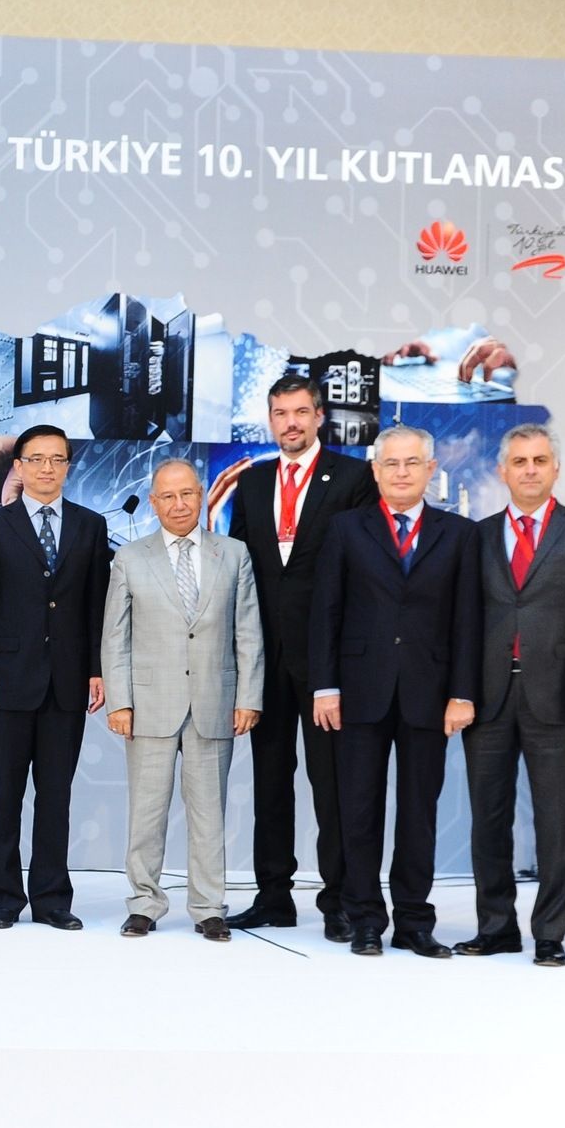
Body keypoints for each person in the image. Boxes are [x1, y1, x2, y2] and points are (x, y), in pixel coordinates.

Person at [310, 426, 480, 957]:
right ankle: (363, 918)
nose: (401, 472)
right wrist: (325, 687)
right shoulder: (346, 528)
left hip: (429, 692)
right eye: (391, 463)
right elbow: (326, 611)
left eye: (412, 463)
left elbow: (468, 620)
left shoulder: (459, 534)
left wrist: (463, 692)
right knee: (358, 810)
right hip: (358, 691)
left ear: (431, 469)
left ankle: (413, 921)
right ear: (375, 470)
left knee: (418, 813)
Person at [458, 424, 565, 967]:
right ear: (502, 470)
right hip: (490, 697)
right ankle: (495, 927)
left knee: (556, 821)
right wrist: (461, 692)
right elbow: (464, 620)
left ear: (555, 469)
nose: (529, 470)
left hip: (560, 698)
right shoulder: (476, 536)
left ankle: (550, 933)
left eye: (539, 460)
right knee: (488, 819)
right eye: (519, 461)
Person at [224, 375, 372, 939]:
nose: (290, 422)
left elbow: (362, 571)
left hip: (327, 662)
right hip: (266, 656)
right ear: (270, 420)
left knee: (331, 784)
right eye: (280, 413)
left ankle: (340, 901)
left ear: (318, 417)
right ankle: (273, 897)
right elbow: (240, 569)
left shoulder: (354, 478)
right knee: (269, 781)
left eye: (300, 412)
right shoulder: (254, 481)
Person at [102, 458, 263, 938]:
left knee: (209, 813)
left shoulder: (233, 554)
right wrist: (120, 701)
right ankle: (144, 904)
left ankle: (209, 907)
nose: (178, 504)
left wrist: (249, 696)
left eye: (187, 494)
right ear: (153, 503)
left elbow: (248, 631)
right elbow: (116, 636)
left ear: (201, 496)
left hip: (215, 702)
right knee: (146, 813)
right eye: (167, 496)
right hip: (149, 705)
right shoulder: (131, 557)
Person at [0, 423, 111, 930]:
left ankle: (51, 899)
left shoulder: (91, 526)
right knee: (4, 795)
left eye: (57, 459)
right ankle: (3, 898)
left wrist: (96, 670)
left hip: (67, 682)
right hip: (6, 681)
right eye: (37, 459)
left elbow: (96, 606)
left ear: (67, 466)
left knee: (56, 797)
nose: (47, 468)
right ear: (19, 467)